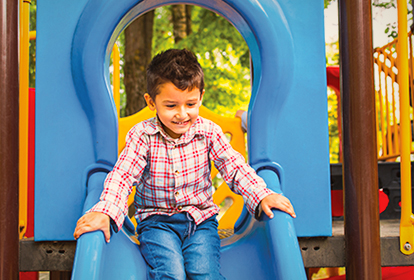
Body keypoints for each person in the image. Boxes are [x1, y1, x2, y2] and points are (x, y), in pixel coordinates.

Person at [73, 49, 296, 279]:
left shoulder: (208, 132)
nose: (182, 114)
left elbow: (234, 167)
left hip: (201, 222)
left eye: (190, 104)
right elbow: (123, 176)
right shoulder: (143, 136)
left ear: (201, 96)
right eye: (171, 106)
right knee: (172, 273)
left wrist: (261, 195)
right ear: (151, 102)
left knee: (204, 273)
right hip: (157, 222)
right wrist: (106, 212)